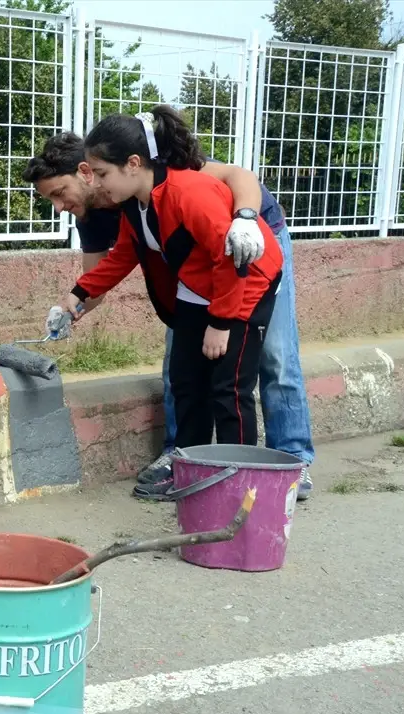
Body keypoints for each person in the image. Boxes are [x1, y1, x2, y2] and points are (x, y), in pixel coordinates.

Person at [24, 129, 314, 500]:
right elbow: (115, 262)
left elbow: (236, 203)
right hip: (197, 276)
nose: (59, 207)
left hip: (251, 247)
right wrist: (75, 301)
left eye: (59, 194)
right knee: (182, 371)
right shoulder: (120, 204)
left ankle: (279, 464)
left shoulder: (177, 182)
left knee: (266, 362)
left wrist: (242, 222)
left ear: (89, 171)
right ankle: (187, 460)